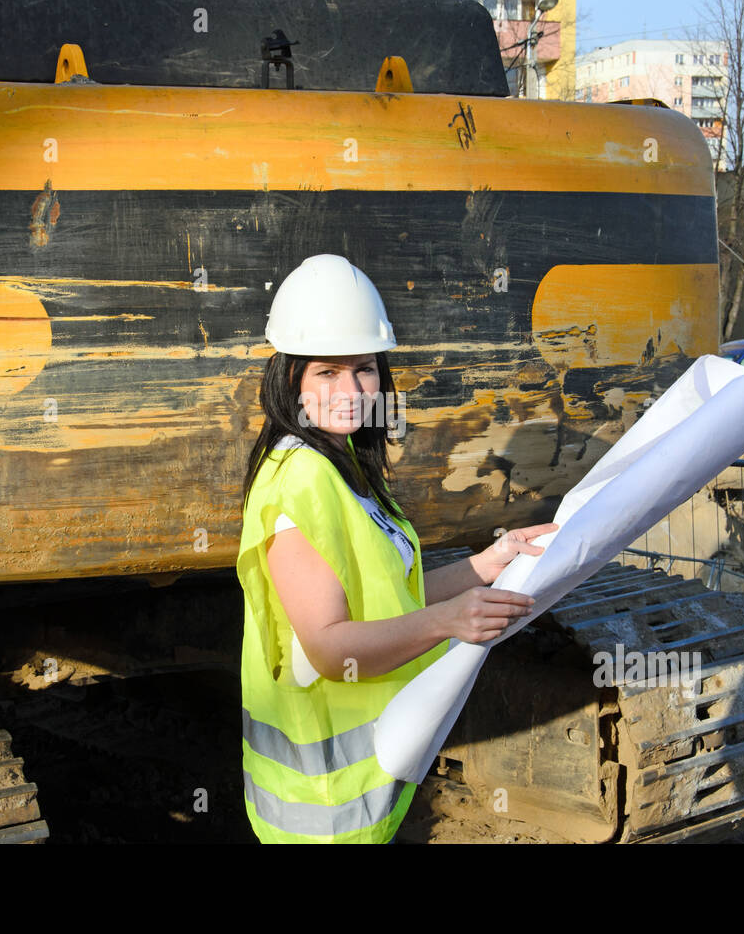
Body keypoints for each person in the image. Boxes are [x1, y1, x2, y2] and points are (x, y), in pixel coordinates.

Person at [236, 254, 558, 844]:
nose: (351, 391)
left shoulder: (342, 463)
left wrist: (491, 561)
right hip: (321, 811)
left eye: (363, 369)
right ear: (290, 379)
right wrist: (447, 621)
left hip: (362, 791)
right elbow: (330, 649)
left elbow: (389, 595)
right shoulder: (299, 479)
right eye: (327, 373)